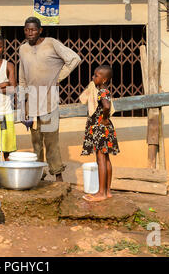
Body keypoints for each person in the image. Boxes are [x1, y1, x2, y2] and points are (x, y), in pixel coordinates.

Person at [18, 17, 81, 181]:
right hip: (31, 104)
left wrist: (58, 77)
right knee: (36, 143)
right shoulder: (22, 49)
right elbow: (22, 78)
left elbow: (74, 59)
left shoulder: (52, 43)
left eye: (32, 30)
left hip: (49, 102)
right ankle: (39, 175)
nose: (29, 33)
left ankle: (58, 176)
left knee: (52, 142)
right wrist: (23, 104)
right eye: (26, 30)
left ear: (40, 30)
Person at [80, 65, 120, 201]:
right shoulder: (102, 90)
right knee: (106, 158)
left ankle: (101, 193)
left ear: (104, 79)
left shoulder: (102, 91)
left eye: (96, 76)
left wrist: (103, 118)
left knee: (100, 159)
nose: (93, 77)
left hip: (100, 128)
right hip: (105, 129)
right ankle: (107, 191)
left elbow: (107, 106)